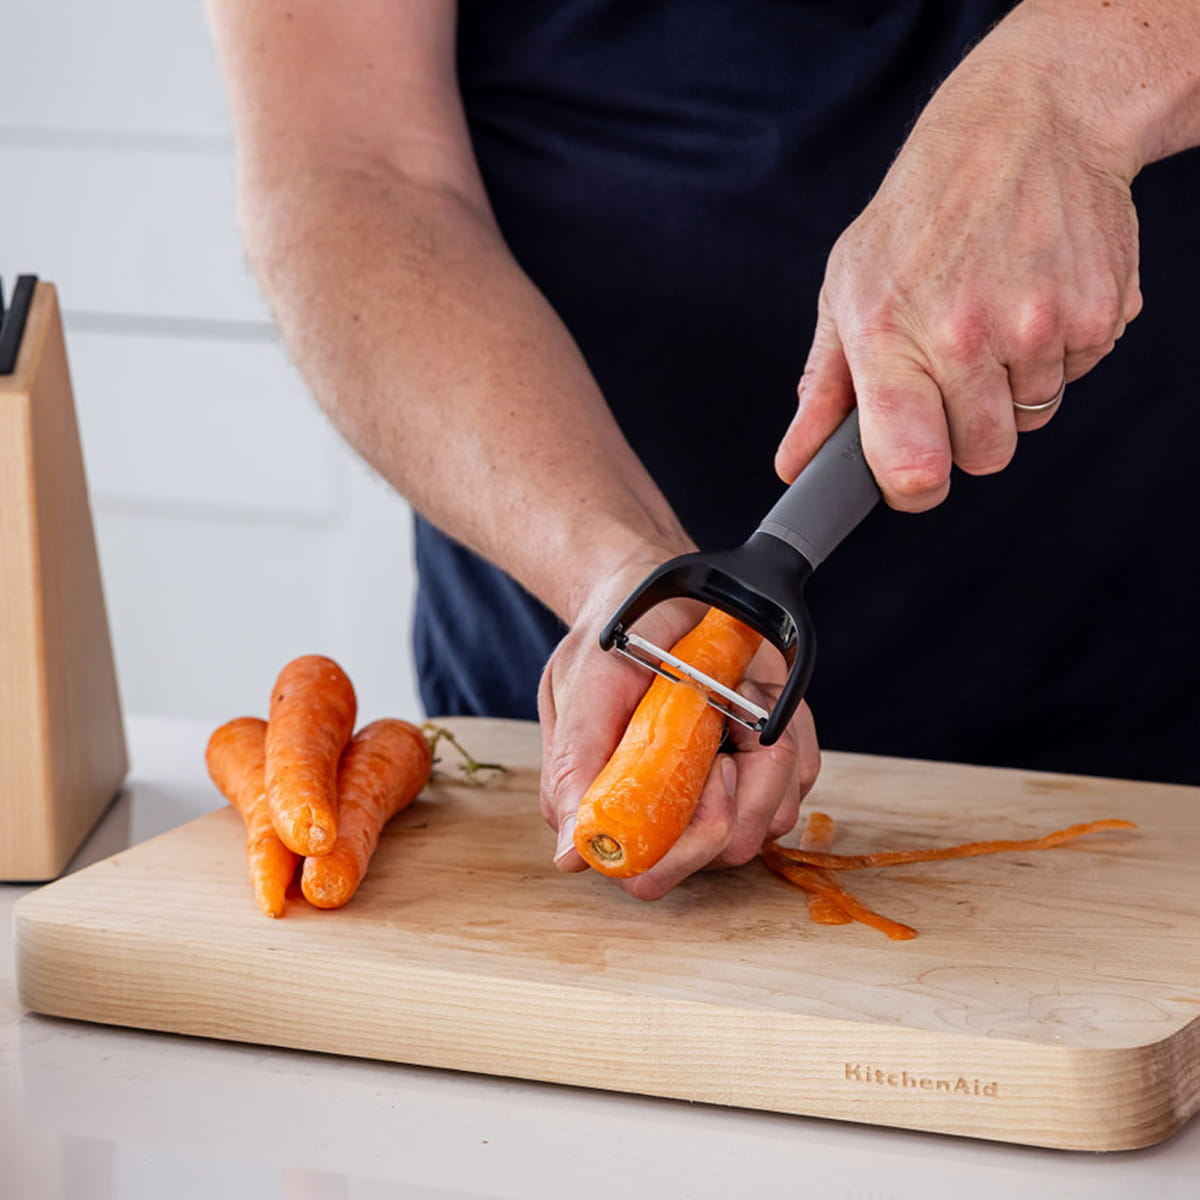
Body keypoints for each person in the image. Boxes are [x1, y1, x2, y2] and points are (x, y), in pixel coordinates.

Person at [205, 1, 1200, 900]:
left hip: (1140, 650)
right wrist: (614, 571)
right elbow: (350, 169)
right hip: (556, 588)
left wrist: (1068, 85)